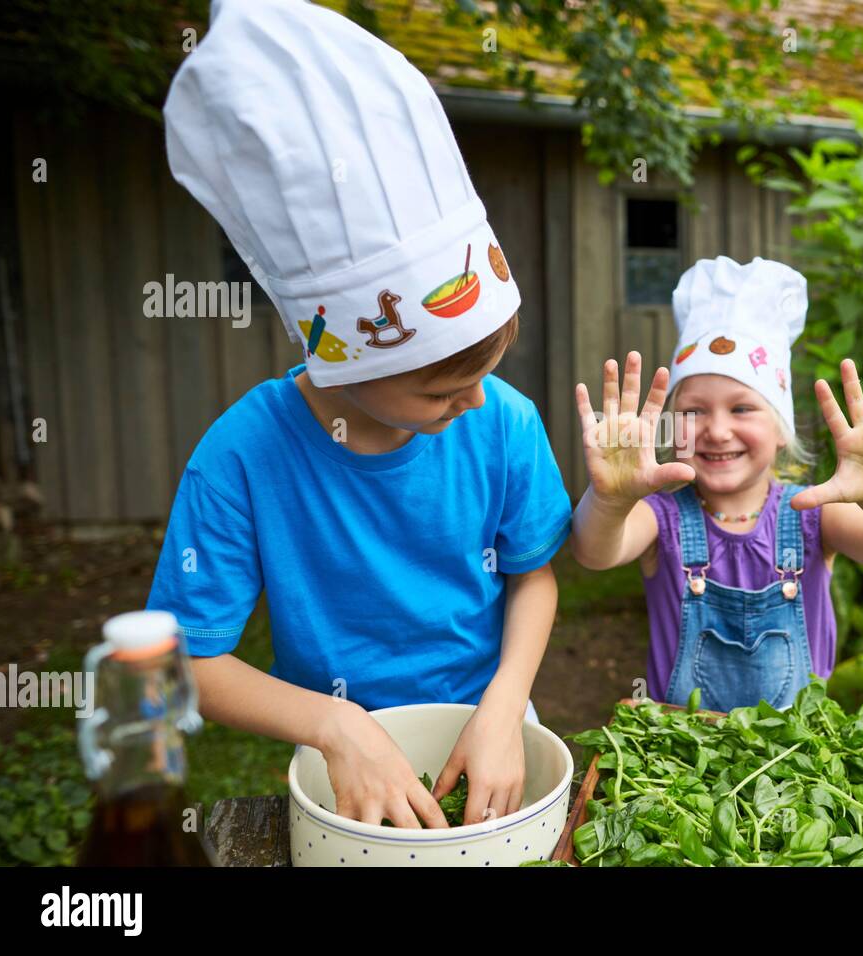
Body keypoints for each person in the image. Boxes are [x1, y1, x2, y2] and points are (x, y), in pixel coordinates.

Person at [147, 0, 570, 828]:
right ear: (343, 361)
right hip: (342, 751)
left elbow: (534, 575)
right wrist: (333, 723)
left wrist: (503, 707)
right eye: (440, 391)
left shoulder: (503, 422)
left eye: (487, 373)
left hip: (489, 725)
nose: (476, 401)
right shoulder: (241, 455)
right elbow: (187, 661)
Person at [570, 256, 863, 712]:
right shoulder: (660, 517)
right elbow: (593, 551)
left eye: (742, 409)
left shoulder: (811, 513)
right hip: (682, 762)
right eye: (694, 411)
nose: (718, 430)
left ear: (782, 427)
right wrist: (610, 500)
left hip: (796, 765)